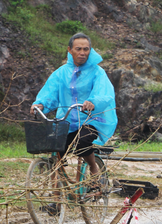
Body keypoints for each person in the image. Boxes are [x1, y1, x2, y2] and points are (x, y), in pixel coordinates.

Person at [30, 33, 117, 181]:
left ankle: (93, 168)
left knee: (82, 141)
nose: (82, 53)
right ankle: (55, 199)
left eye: (86, 49)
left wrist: (93, 102)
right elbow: (51, 92)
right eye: (78, 49)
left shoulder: (97, 72)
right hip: (66, 120)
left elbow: (104, 93)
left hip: (91, 120)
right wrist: (41, 104)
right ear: (70, 50)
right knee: (55, 153)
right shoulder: (61, 73)